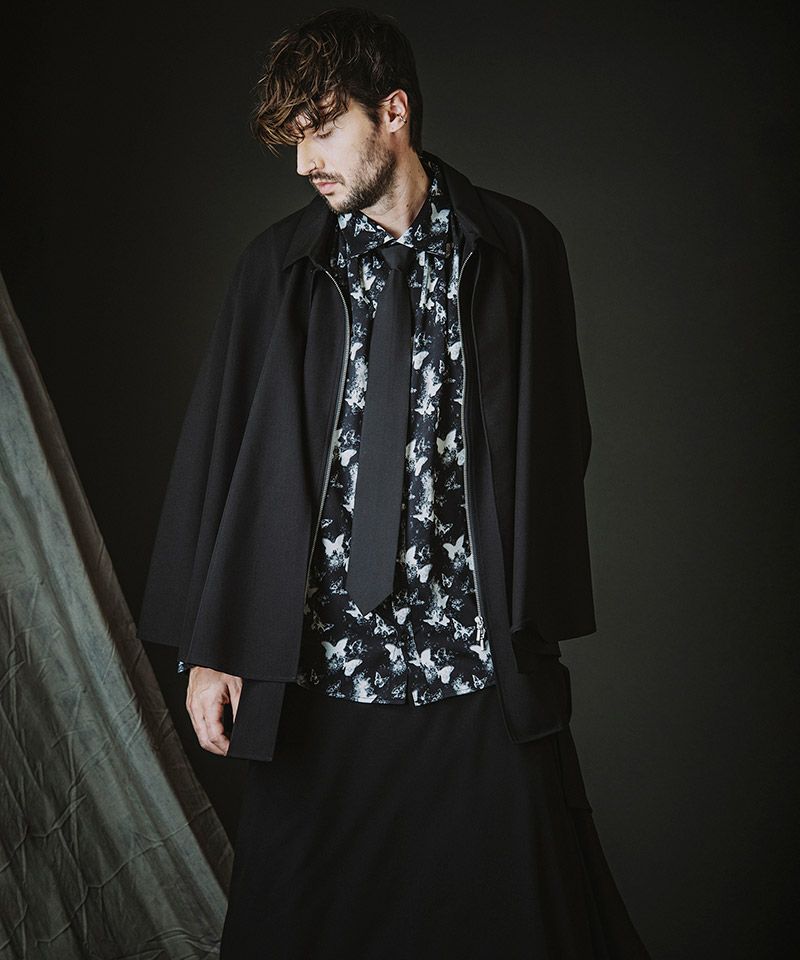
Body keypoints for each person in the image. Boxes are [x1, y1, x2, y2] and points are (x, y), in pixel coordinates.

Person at [137, 7, 652, 957]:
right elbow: (221, 455)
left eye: (321, 131)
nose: (305, 162)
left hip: (476, 671)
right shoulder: (277, 270)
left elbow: (558, 436)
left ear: (394, 113)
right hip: (319, 676)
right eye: (293, 139)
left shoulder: (518, 249)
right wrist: (213, 649)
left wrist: (521, 601)